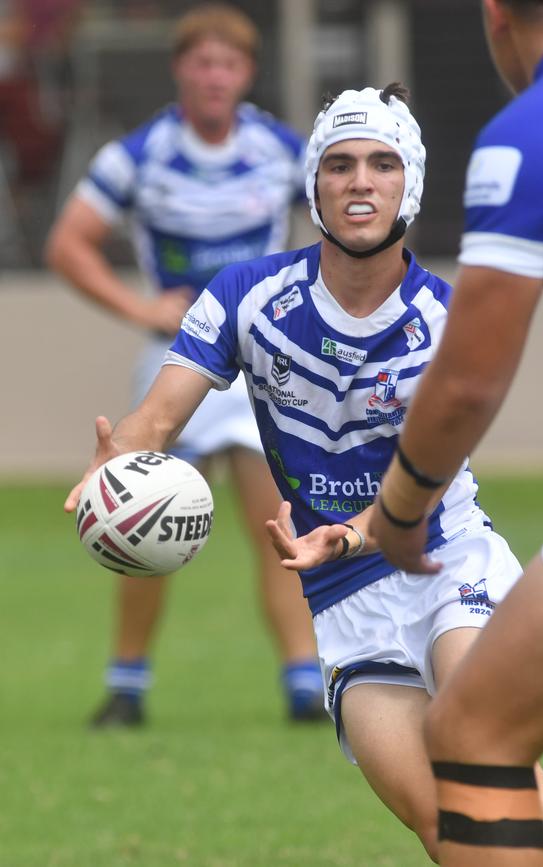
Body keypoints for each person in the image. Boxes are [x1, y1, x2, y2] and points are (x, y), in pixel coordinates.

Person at [64, 81, 543, 865]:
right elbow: (159, 419)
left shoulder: (447, 321)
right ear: (314, 184)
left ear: (411, 184)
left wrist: (356, 532)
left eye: (380, 163)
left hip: (441, 558)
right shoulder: (246, 295)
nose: (359, 180)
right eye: (338, 164)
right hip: (341, 601)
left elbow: (424, 481)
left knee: (490, 763)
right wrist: (118, 463)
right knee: (443, 825)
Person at [371, 2, 543, 865]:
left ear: (495, 13)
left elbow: (466, 381)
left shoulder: (536, 130)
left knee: (474, 730)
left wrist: (402, 503)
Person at [46, 2, 324, 727]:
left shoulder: (277, 148)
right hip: (176, 361)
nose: (214, 76)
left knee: (277, 519)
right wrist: (140, 309)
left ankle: (302, 679)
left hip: (262, 361)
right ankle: (127, 684)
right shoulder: (139, 154)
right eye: (201, 62)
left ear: (247, 74)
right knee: (145, 518)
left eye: (227, 64)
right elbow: (69, 242)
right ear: (181, 70)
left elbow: (339, 215)